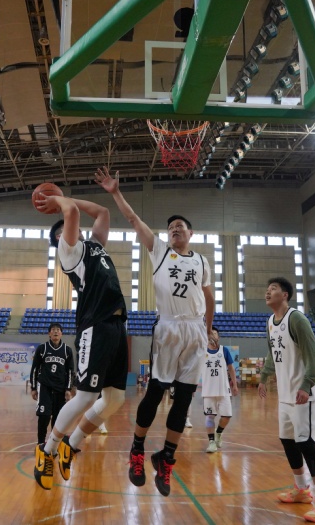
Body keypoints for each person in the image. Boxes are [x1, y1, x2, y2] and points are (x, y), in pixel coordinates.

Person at [96, 166, 214, 497]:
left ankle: (166, 457)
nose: (175, 229)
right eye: (171, 227)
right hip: (168, 327)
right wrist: (116, 192)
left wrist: (208, 329)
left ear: (190, 233)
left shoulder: (202, 262)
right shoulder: (160, 251)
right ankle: (137, 449)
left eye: (180, 227)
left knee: (185, 397)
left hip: (196, 330)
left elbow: (209, 297)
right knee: (157, 392)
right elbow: (133, 219)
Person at [31, 192, 128, 491]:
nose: (72, 229)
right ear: (60, 239)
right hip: (94, 326)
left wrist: (68, 198)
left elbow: (103, 213)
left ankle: (70, 446)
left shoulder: (94, 246)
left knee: (115, 400)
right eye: (64, 230)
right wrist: (59, 199)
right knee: (86, 397)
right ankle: (47, 450)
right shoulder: (69, 252)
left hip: (116, 325)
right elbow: (71, 212)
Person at [258, 277, 315, 522]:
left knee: (306, 443)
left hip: (305, 394)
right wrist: (263, 377)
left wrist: (306, 384)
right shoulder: (270, 322)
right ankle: (302, 489)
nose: (268, 292)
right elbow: (272, 354)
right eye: (267, 289)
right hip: (286, 394)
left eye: (273, 289)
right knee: (287, 441)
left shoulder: (297, 319)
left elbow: (314, 354)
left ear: (285, 295)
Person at [29, 322, 74, 446]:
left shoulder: (67, 350)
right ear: (49, 333)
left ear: (61, 333)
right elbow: (34, 369)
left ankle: (54, 443)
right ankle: (40, 443)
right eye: (53, 330)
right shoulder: (42, 349)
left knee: (58, 418)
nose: (55, 332)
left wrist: (68, 389)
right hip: (45, 387)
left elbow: (70, 371)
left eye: (58, 330)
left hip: (60, 389)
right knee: (44, 416)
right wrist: (33, 388)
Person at [201, 326, 238, 453]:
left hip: (224, 390)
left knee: (227, 416)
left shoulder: (224, 350)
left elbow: (231, 368)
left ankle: (219, 432)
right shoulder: (202, 351)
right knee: (209, 417)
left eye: (215, 333)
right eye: (210, 333)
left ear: (219, 337)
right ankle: (211, 442)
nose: (213, 335)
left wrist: (235, 385)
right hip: (208, 391)